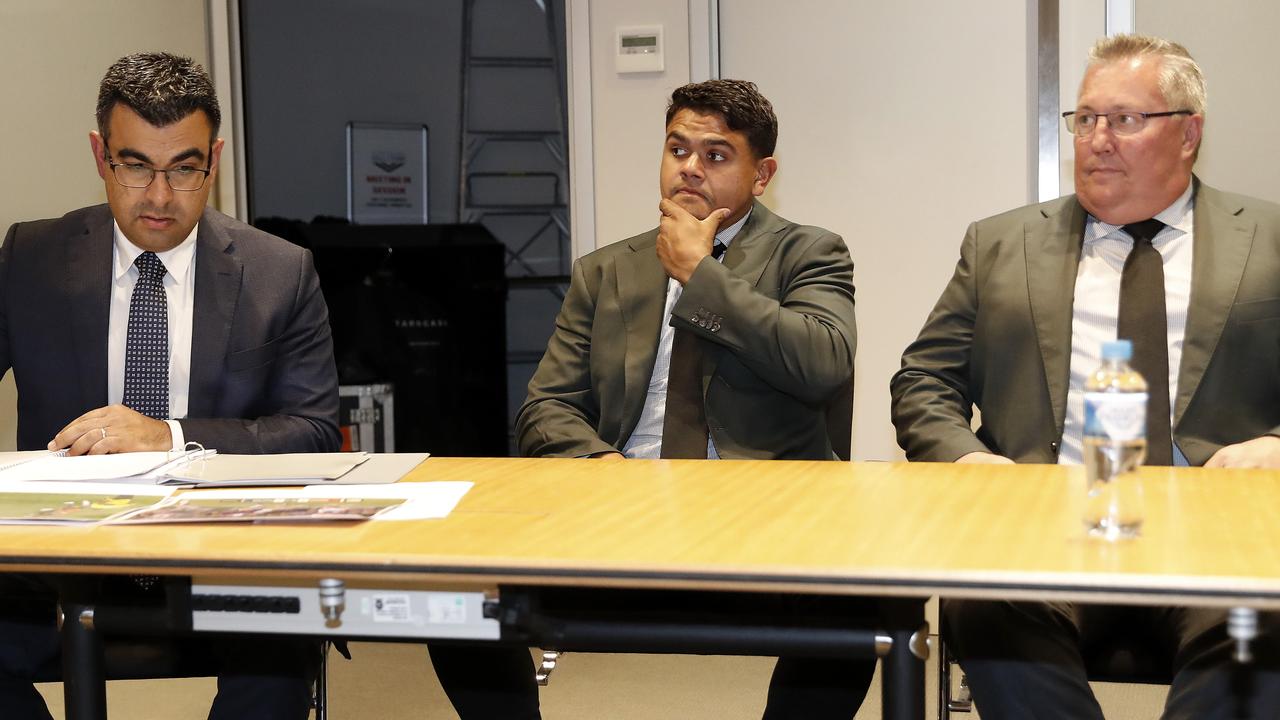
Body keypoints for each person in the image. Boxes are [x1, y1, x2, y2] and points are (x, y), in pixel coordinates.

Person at [430, 79, 866, 719]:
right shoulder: (605, 271)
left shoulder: (810, 252)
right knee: (453, 589)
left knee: (865, 598)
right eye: (677, 149)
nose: (690, 167)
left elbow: (824, 362)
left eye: (716, 155)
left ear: (762, 173)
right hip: (619, 510)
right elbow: (545, 408)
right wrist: (602, 467)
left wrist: (702, 276)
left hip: (762, 519)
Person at [891, 34, 1280, 719]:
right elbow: (924, 380)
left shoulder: (1272, 241)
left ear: (1188, 134)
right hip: (1049, 524)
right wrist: (971, 461)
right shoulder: (1000, 243)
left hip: (1220, 534)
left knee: (1264, 623)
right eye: (1086, 119)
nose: (1097, 139)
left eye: (1125, 120)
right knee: (985, 602)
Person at [0, 52, 340, 719]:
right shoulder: (29, 258)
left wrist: (169, 438)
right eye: (135, 166)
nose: (159, 196)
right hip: (62, 553)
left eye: (184, 168)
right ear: (101, 155)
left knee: (278, 652)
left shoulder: (280, 273)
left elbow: (314, 429)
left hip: (224, 553)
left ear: (213, 160)